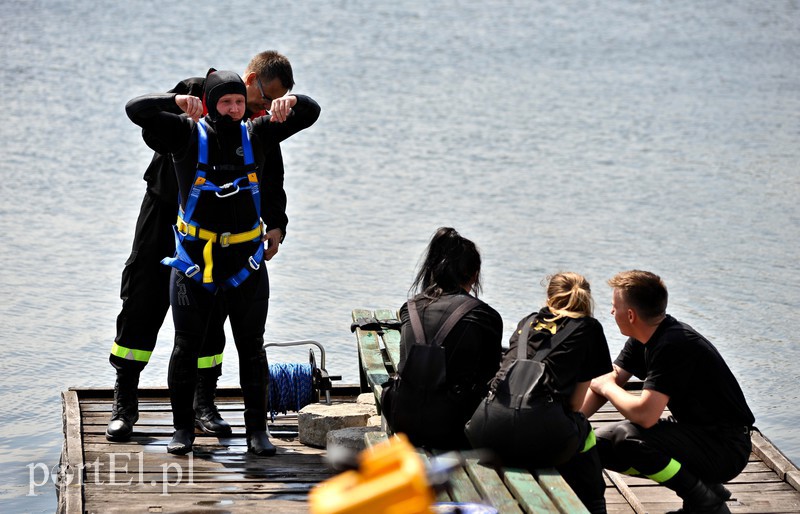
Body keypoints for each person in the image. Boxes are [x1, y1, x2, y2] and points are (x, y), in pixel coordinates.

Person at [125, 69, 320, 455]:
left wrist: (291, 102)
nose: (234, 109)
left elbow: (311, 113)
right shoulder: (185, 133)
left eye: (239, 102)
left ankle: (256, 433)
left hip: (246, 265)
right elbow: (135, 109)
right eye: (226, 102)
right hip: (194, 265)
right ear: (211, 104)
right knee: (185, 347)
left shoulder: (257, 133)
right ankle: (183, 430)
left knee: (252, 348)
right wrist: (174, 101)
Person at [583, 270, 755, 514]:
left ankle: (704, 501)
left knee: (628, 438)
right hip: (696, 433)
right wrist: (572, 422)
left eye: (614, 306)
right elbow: (611, 377)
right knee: (593, 446)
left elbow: (645, 415)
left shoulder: (673, 344)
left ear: (631, 315)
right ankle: (707, 489)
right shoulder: (645, 336)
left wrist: (608, 387)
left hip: (725, 447)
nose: (611, 312)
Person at [466, 272, 612, 514]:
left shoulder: (527, 322)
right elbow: (575, 404)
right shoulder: (589, 328)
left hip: (486, 432)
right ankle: (594, 506)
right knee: (583, 431)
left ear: (549, 296)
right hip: (542, 436)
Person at [380, 227, 503, 451]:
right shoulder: (486, 316)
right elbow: (490, 378)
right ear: (475, 274)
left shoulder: (409, 308)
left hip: (402, 419)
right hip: (452, 429)